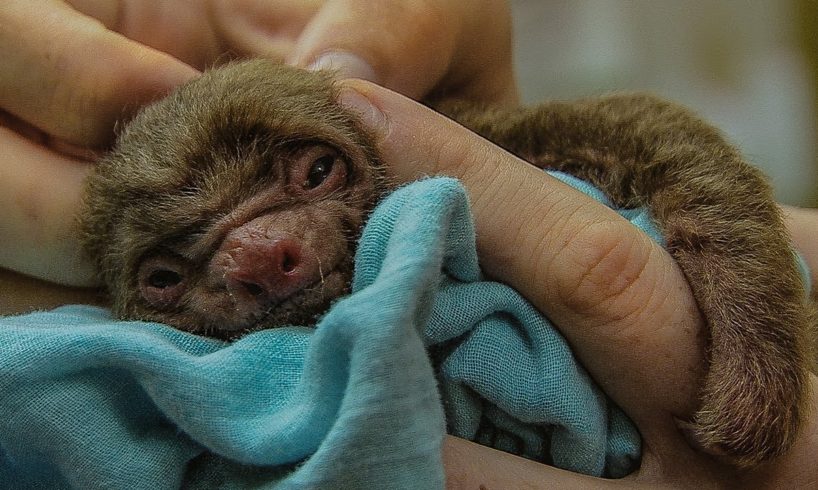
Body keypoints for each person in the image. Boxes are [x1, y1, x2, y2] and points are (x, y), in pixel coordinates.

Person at [1, 1, 816, 487]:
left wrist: (754, 319)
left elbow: (639, 135)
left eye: (316, 173)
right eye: (168, 274)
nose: (259, 255)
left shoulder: (447, 135)